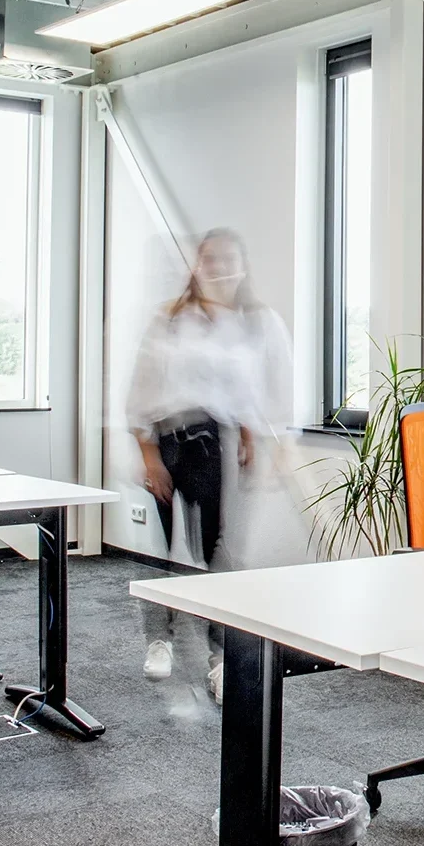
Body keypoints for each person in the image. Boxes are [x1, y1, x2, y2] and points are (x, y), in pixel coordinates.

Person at [126, 228, 290, 704]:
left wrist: (251, 436)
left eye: (226, 258)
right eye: (208, 259)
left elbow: (245, 389)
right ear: (197, 265)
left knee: (220, 556)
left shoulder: (252, 322)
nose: (216, 266)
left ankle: (221, 658)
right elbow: (141, 390)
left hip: (214, 445)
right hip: (167, 440)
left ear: (242, 266)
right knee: (167, 551)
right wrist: (149, 455)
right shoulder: (171, 319)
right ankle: (160, 639)